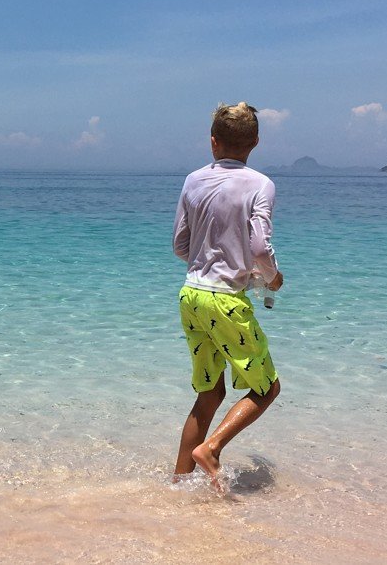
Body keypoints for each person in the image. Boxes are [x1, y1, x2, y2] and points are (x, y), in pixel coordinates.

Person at [171, 103, 284, 492]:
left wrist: (209, 259)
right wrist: (272, 277)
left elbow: (180, 245)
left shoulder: (192, 180)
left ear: (213, 141)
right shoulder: (260, 184)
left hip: (191, 295)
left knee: (210, 392)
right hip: (226, 301)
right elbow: (259, 246)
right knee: (267, 388)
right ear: (255, 141)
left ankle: (178, 486)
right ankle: (212, 448)